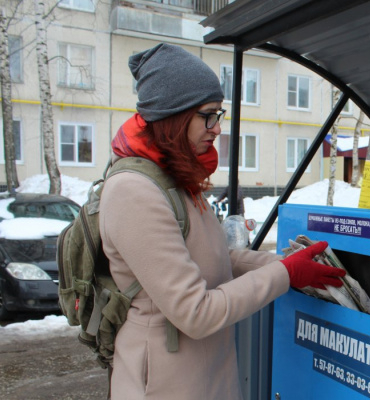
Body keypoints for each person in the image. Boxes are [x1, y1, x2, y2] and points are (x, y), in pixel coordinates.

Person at [98, 43, 346, 400]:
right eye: (208, 115)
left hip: (201, 374)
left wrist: (286, 263)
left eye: (220, 114)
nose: (216, 128)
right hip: (164, 383)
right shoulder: (134, 191)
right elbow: (195, 312)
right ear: (174, 115)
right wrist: (285, 274)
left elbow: (214, 258)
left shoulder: (176, 178)